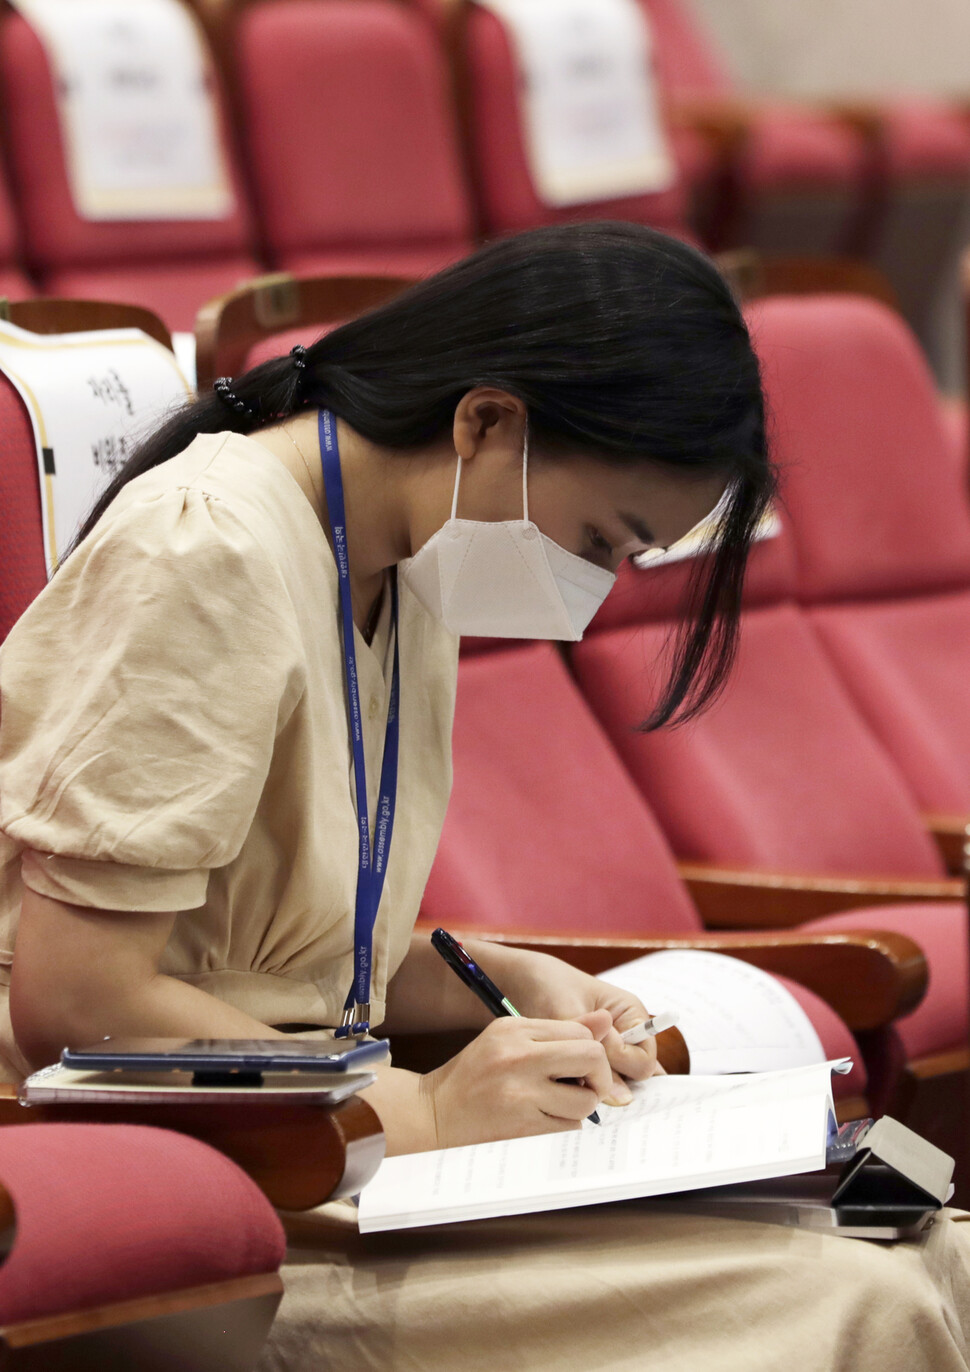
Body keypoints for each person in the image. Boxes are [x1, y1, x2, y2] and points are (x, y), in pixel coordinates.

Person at [1, 222, 969, 1370]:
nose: (599, 589)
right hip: (228, 1174)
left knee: (927, 1245)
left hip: (325, 1142)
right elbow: (79, 1000)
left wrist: (490, 975)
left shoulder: (398, 560)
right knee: (848, 1298)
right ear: (486, 421)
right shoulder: (208, 552)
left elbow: (260, 945)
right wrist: (423, 1111)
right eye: (603, 539)